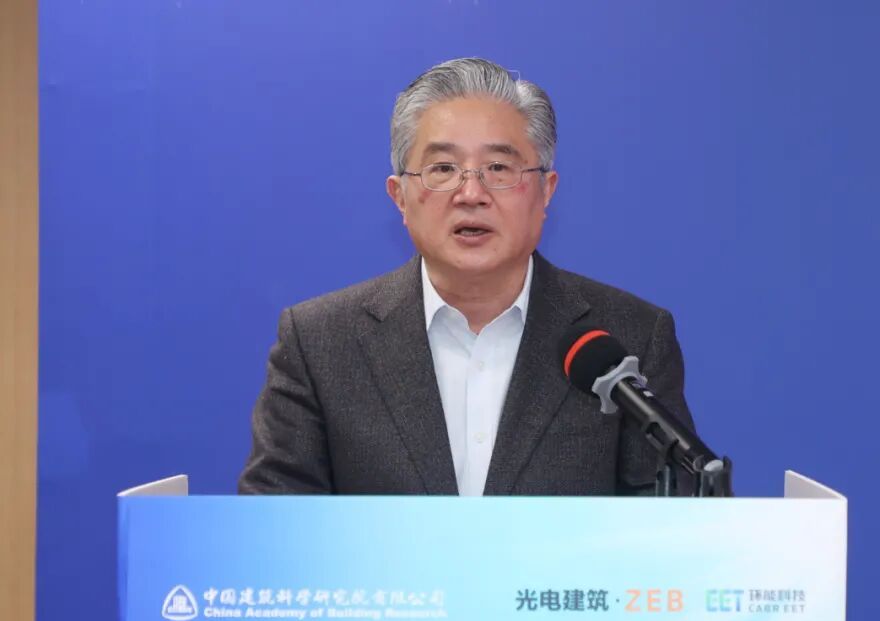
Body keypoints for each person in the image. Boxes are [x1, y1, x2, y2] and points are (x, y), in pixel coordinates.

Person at [238, 57, 694, 496]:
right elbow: (276, 522)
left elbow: (669, 525)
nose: (471, 193)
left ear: (546, 191)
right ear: (400, 197)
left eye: (498, 168)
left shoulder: (627, 338)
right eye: (443, 168)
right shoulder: (319, 344)